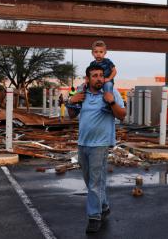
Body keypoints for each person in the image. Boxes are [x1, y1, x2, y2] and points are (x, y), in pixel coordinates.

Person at [67, 64, 126, 233]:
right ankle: (104, 205)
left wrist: (111, 101)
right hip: (83, 143)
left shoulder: (110, 92)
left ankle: (94, 217)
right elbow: (71, 115)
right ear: (88, 78)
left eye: (101, 75)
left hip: (100, 144)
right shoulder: (82, 94)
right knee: (91, 180)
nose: (99, 78)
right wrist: (71, 101)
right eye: (95, 75)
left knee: (94, 182)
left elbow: (122, 115)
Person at [89, 40, 117, 112]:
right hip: (97, 83)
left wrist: (109, 78)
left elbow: (114, 71)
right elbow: (89, 74)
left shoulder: (107, 61)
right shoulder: (92, 64)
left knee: (108, 85)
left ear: (105, 53)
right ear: (92, 53)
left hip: (106, 81)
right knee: (84, 86)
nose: (98, 54)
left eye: (101, 52)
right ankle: (80, 103)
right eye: (96, 52)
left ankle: (109, 105)